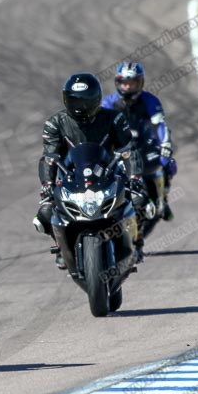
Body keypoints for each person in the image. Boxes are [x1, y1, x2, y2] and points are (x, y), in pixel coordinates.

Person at [33, 73, 148, 267]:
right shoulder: (55, 123)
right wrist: (47, 185)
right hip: (71, 179)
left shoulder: (115, 118)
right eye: (75, 101)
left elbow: (129, 150)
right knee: (44, 212)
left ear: (97, 100)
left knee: (139, 200)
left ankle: (136, 242)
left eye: (85, 102)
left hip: (109, 175)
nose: (80, 108)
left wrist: (134, 176)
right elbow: (49, 157)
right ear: (66, 100)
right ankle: (61, 246)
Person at [101, 62, 176, 221]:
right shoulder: (108, 103)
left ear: (140, 83)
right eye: (124, 83)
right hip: (119, 148)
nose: (128, 87)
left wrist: (165, 145)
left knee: (169, 162)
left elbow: (160, 125)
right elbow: (99, 129)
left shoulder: (150, 101)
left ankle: (163, 198)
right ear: (118, 83)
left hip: (146, 144)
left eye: (132, 83)